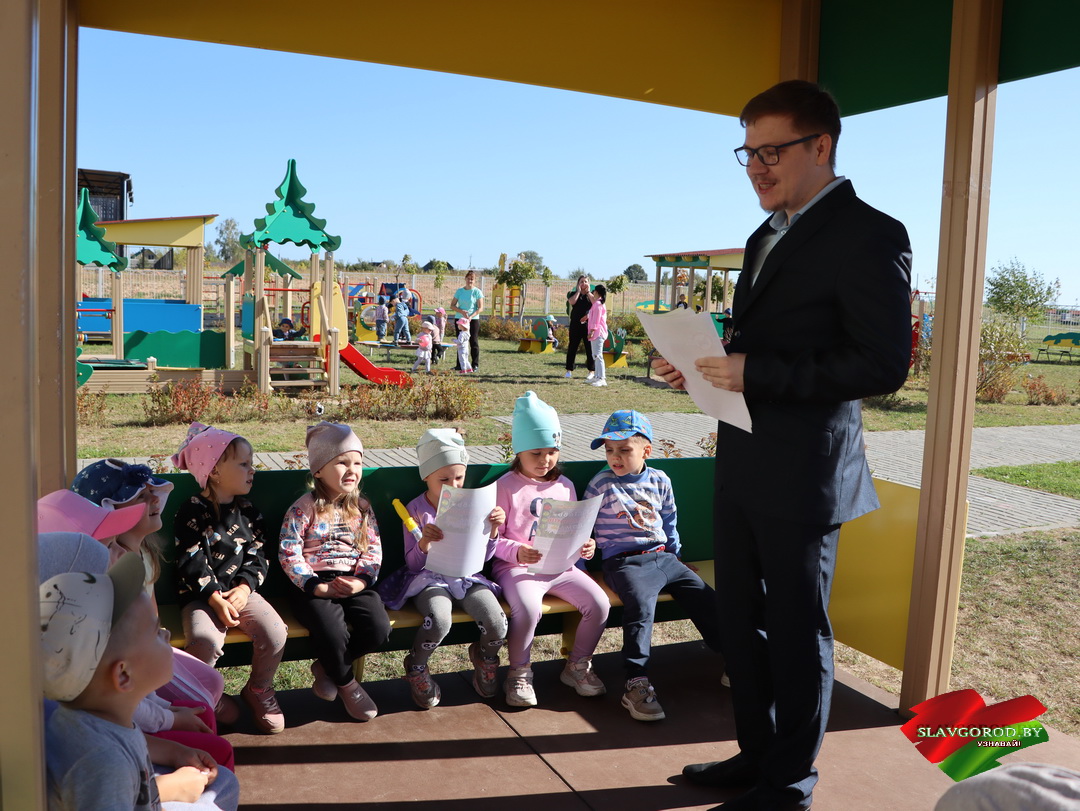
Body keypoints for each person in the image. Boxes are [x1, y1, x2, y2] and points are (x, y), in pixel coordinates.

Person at [653, 80, 912, 810]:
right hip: (741, 456)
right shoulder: (765, 235)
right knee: (740, 621)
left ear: (821, 145)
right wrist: (701, 365)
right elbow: (765, 341)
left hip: (806, 473)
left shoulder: (872, 233)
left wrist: (754, 371)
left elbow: (882, 364)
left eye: (772, 151)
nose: (757, 168)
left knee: (798, 632)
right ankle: (757, 755)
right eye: (748, 153)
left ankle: (790, 783)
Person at [40, 553, 240, 811]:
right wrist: (168, 790)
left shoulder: (99, 718)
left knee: (224, 783)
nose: (167, 634)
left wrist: (175, 752)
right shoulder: (102, 760)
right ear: (123, 675)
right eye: (156, 632)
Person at [584, 410, 722, 722]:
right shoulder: (601, 484)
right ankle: (636, 682)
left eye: (624, 450)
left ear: (646, 451)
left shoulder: (660, 479)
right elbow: (583, 525)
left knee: (706, 598)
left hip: (664, 557)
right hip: (624, 562)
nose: (615, 457)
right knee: (641, 607)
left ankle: (736, 659)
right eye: (609, 450)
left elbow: (669, 520)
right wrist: (582, 563)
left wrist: (676, 555)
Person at [71, 460, 233, 723]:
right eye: (141, 497)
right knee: (203, 704)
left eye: (153, 493)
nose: (155, 500)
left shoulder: (146, 552)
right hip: (128, 658)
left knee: (213, 683)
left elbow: (152, 612)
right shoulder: (109, 566)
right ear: (109, 512)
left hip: (151, 644)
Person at [493, 391, 609, 707]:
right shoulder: (504, 486)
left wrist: (585, 546)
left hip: (561, 567)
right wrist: (517, 552)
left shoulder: (565, 486)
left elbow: (574, 530)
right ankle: (519, 673)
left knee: (599, 603)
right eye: (536, 453)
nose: (545, 460)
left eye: (552, 452)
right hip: (517, 568)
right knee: (529, 609)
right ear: (519, 451)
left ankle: (577, 666)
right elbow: (492, 541)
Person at [171, 422, 289, 735]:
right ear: (214, 471)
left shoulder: (249, 512)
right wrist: (214, 598)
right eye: (244, 464)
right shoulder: (191, 511)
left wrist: (245, 588)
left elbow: (258, 556)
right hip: (200, 597)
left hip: (241, 593)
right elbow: (190, 559)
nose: (252, 470)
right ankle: (203, 695)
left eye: (251, 463)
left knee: (276, 633)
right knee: (204, 642)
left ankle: (259, 689)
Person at [377, 429, 508, 708]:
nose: (453, 485)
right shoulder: (416, 509)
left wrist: (494, 529)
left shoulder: (474, 504)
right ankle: (416, 667)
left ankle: (486, 658)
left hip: (466, 576)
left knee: (497, 621)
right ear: (426, 476)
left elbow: (485, 557)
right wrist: (424, 541)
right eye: (444, 479)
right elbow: (413, 564)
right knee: (439, 619)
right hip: (428, 579)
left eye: (459, 477)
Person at [279, 422, 392, 721]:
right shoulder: (303, 508)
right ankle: (347, 684)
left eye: (357, 463)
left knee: (379, 628)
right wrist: (315, 586)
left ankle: (327, 667)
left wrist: (361, 581)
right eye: (342, 462)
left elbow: (373, 549)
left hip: (353, 580)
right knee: (332, 630)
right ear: (318, 470)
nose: (352, 470)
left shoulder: (362, 508)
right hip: (313, 584)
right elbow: (289, 551)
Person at [452, 270, 483, 371]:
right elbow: (452, 305)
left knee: (473, 341)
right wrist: (461, 312)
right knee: (460, 341)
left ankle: (475, 364)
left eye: (472, 279)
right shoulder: (459, 291)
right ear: (465, 279)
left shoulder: (477, 292)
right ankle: (459, 365)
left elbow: (480, 308)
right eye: (468, 278)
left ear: (474, 280)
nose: (470, 281)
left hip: (473, 319)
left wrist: (471, 316)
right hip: (460, 319)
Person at [564, 275, 594, 379]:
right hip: (575, 324)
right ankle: (569, 370)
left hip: (588, 325)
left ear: (588, 283)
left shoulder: (592, 295)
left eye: (585, 281)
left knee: (589, 348)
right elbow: (572, 302)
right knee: (572, 347)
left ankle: (591, 371)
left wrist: (588, 292)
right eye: (581, 281)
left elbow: (595, 303)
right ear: (578, 283)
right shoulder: (573, 294)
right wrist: (578, 291)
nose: (583, 283)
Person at [586, 284, 609, 387]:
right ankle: (596, 376)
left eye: (594, 291)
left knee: (598, 356)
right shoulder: (597, 303)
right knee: (595, 355)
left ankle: (602, 378)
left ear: (597, 292)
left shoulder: (598, 304)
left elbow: (596, 319)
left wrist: (592, 331)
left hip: (598, 333)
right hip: (595, 333)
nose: (593, 292)